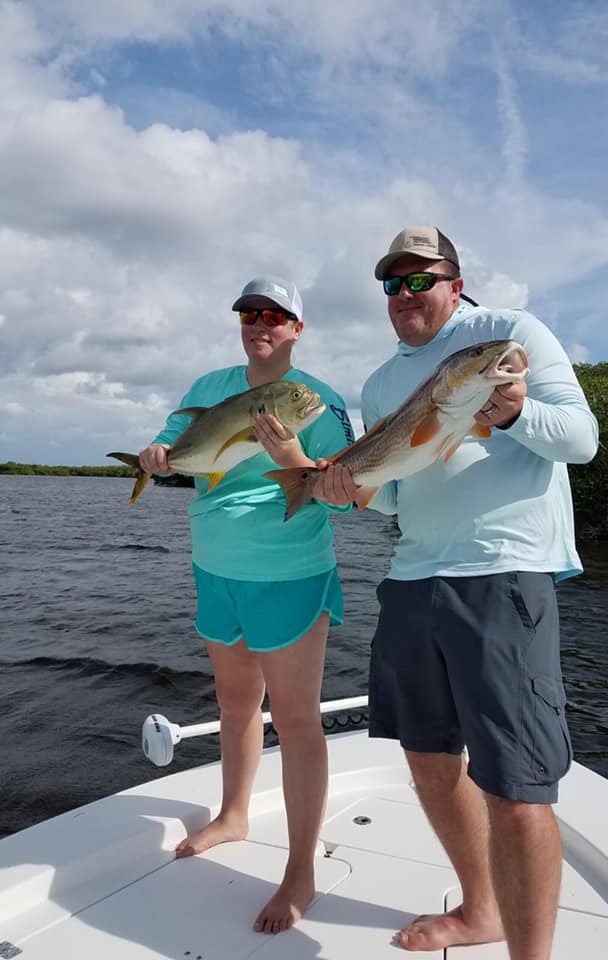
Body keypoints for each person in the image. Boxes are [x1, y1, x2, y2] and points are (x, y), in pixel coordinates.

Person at [314, 227, 598, 959]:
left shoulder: (508, 334)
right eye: (392, 283)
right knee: (427, 756)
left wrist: (511, 411)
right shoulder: (380, 384)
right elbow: (395, 500)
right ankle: (482, 909)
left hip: (502, 572)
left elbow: (581, 439)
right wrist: (347, 489)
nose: (405, 294)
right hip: (412, 579)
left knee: (516, 784)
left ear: (455, 281)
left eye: (421, 279)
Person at [139, 275, 354, 936]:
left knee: (296, 722)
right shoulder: (208, 388)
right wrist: (155, 456)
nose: (260, 323)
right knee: (234, 705)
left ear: (297, 328)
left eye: (276, 315)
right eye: (249, 313)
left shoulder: (319, 401)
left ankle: (299, 874)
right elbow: (178, 448)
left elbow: (343, 486)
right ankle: (233, 814)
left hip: (288, 573)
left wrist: (293, 453)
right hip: (215, 567)